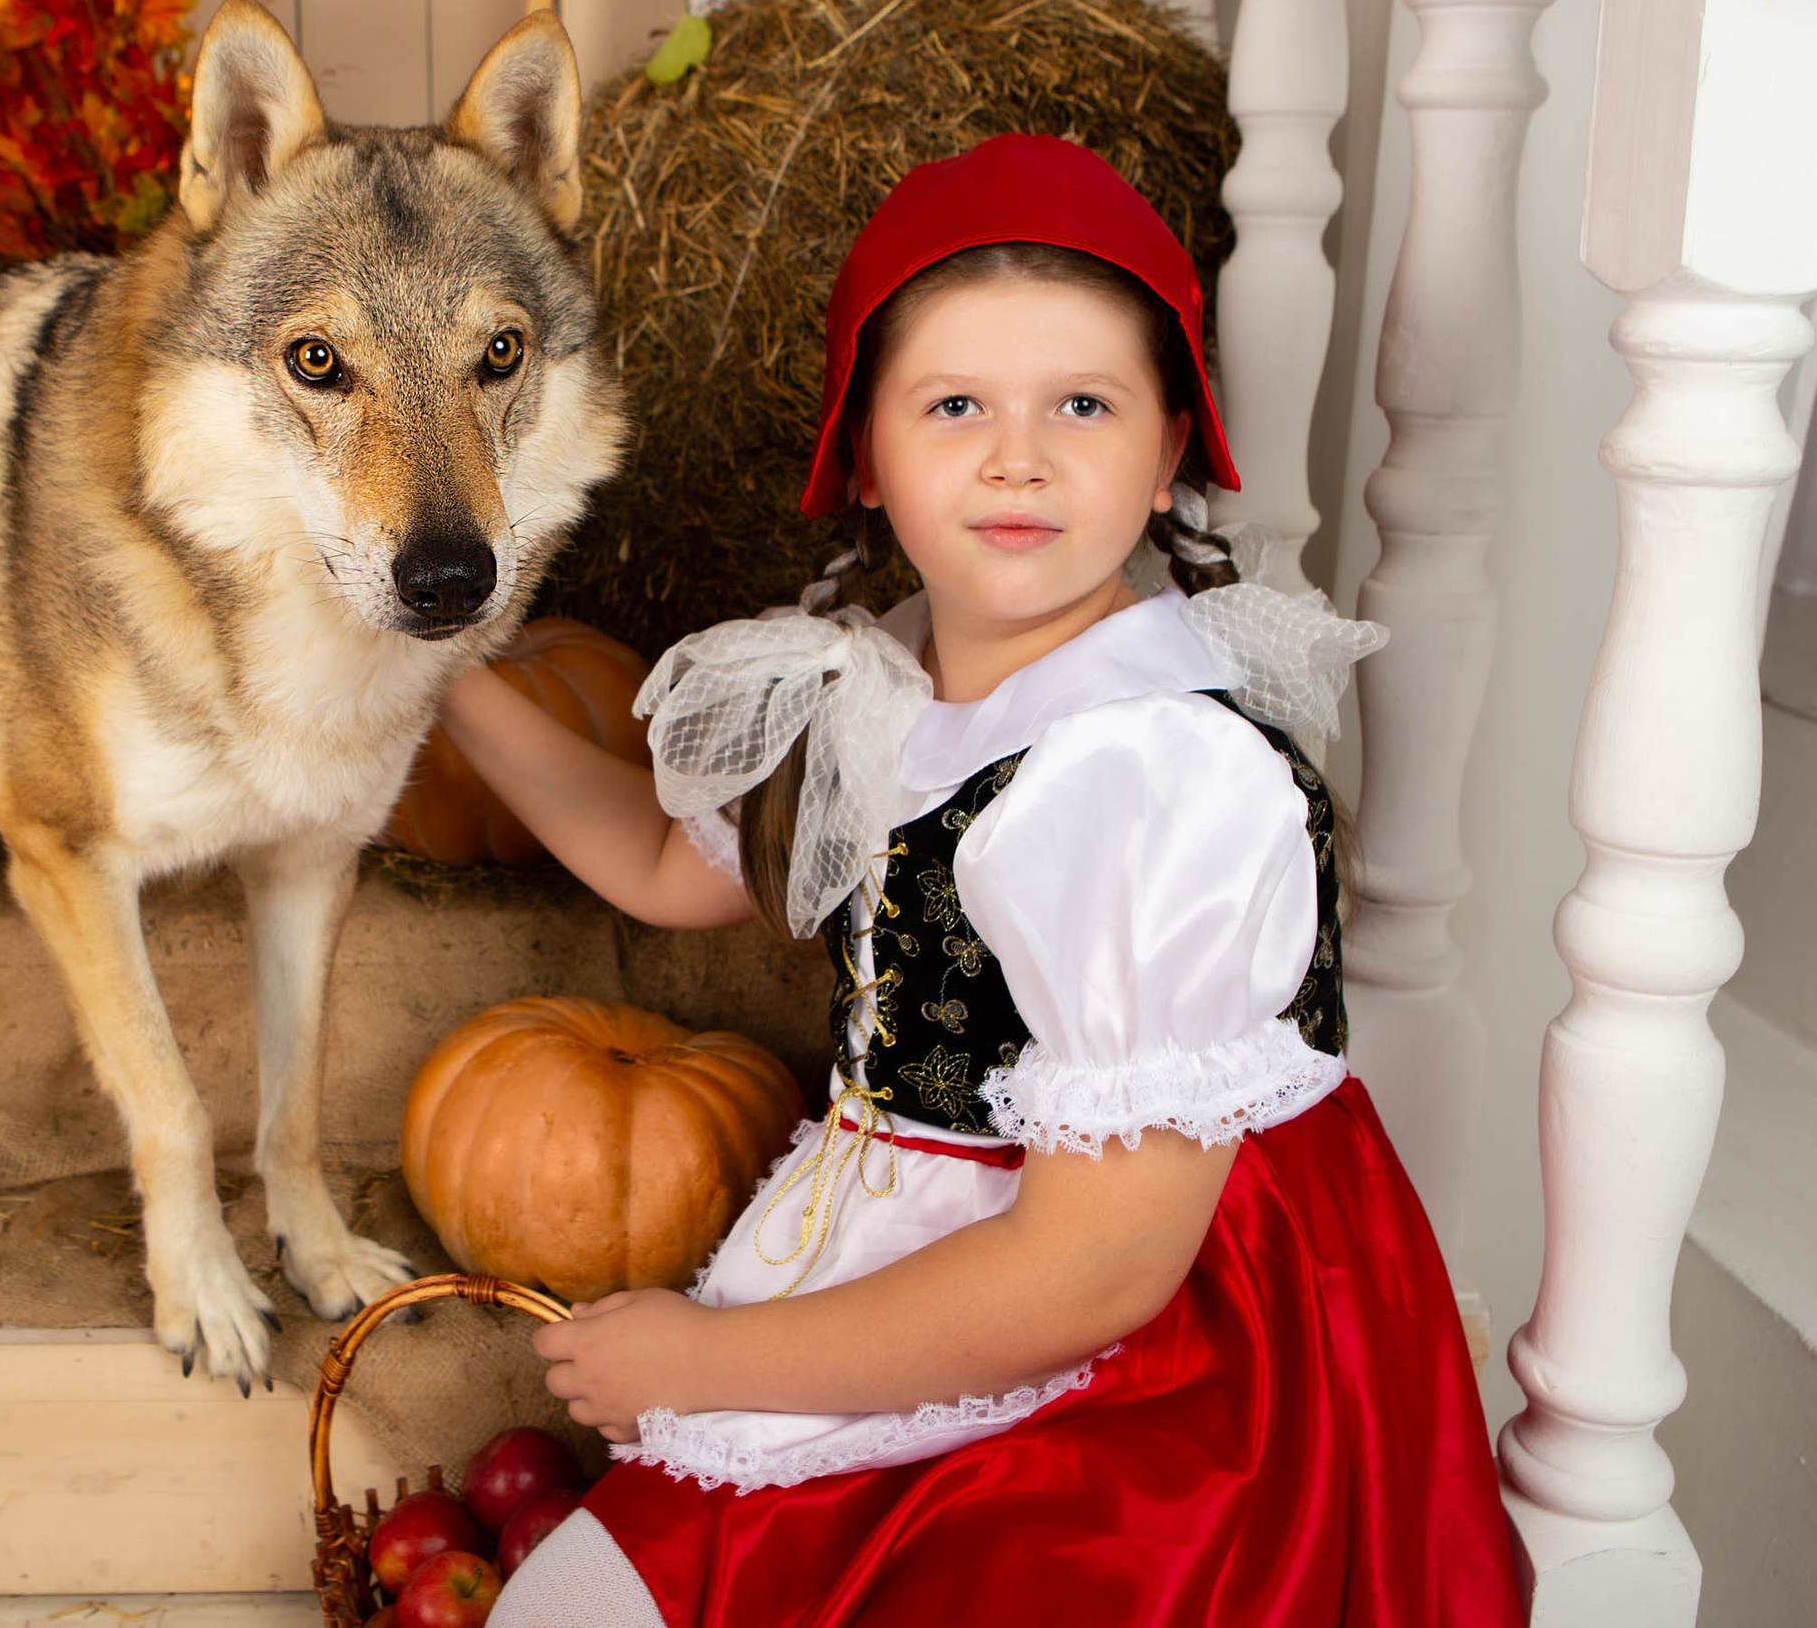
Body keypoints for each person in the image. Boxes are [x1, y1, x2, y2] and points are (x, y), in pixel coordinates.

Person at [446, 136, 1523, 1627]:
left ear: (1164, 460)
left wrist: (704, 1361)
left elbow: (1096, 1272)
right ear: (870, 461)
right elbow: (654, 862)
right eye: (955, 405)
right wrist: (439, 672)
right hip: (953, 1258)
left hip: (1166, 1357)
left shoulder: (1155, 778)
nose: (1017, 456)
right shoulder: (883, 681)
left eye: (1081, 404)